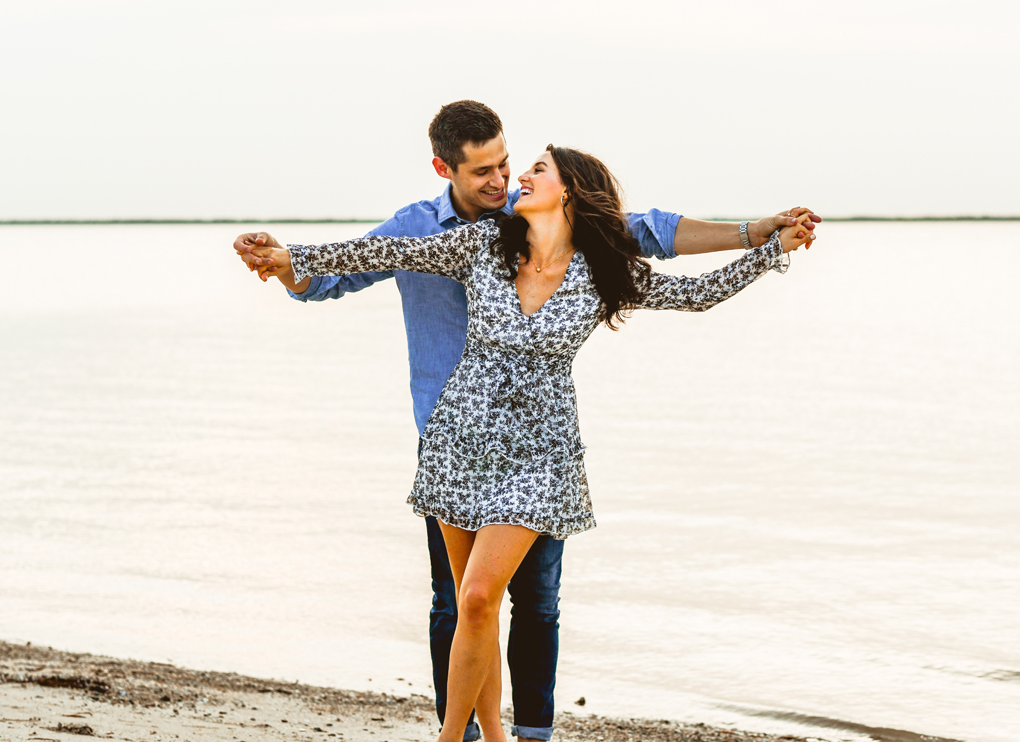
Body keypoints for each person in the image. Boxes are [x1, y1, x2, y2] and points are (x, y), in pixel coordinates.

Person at [234, 100, 819, 741]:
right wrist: (291, 256)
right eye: (497, 169)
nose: (513, 181)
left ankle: (457, 738)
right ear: (447, 169)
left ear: (568, 192)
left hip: (541, 455)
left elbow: (691, 290)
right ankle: (492, 735)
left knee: (491, 598)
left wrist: (765, 245)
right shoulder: (483, 244)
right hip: (455, 437)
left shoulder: (601, 268)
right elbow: (381, 251)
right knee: (467, 606)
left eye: (527, 168)